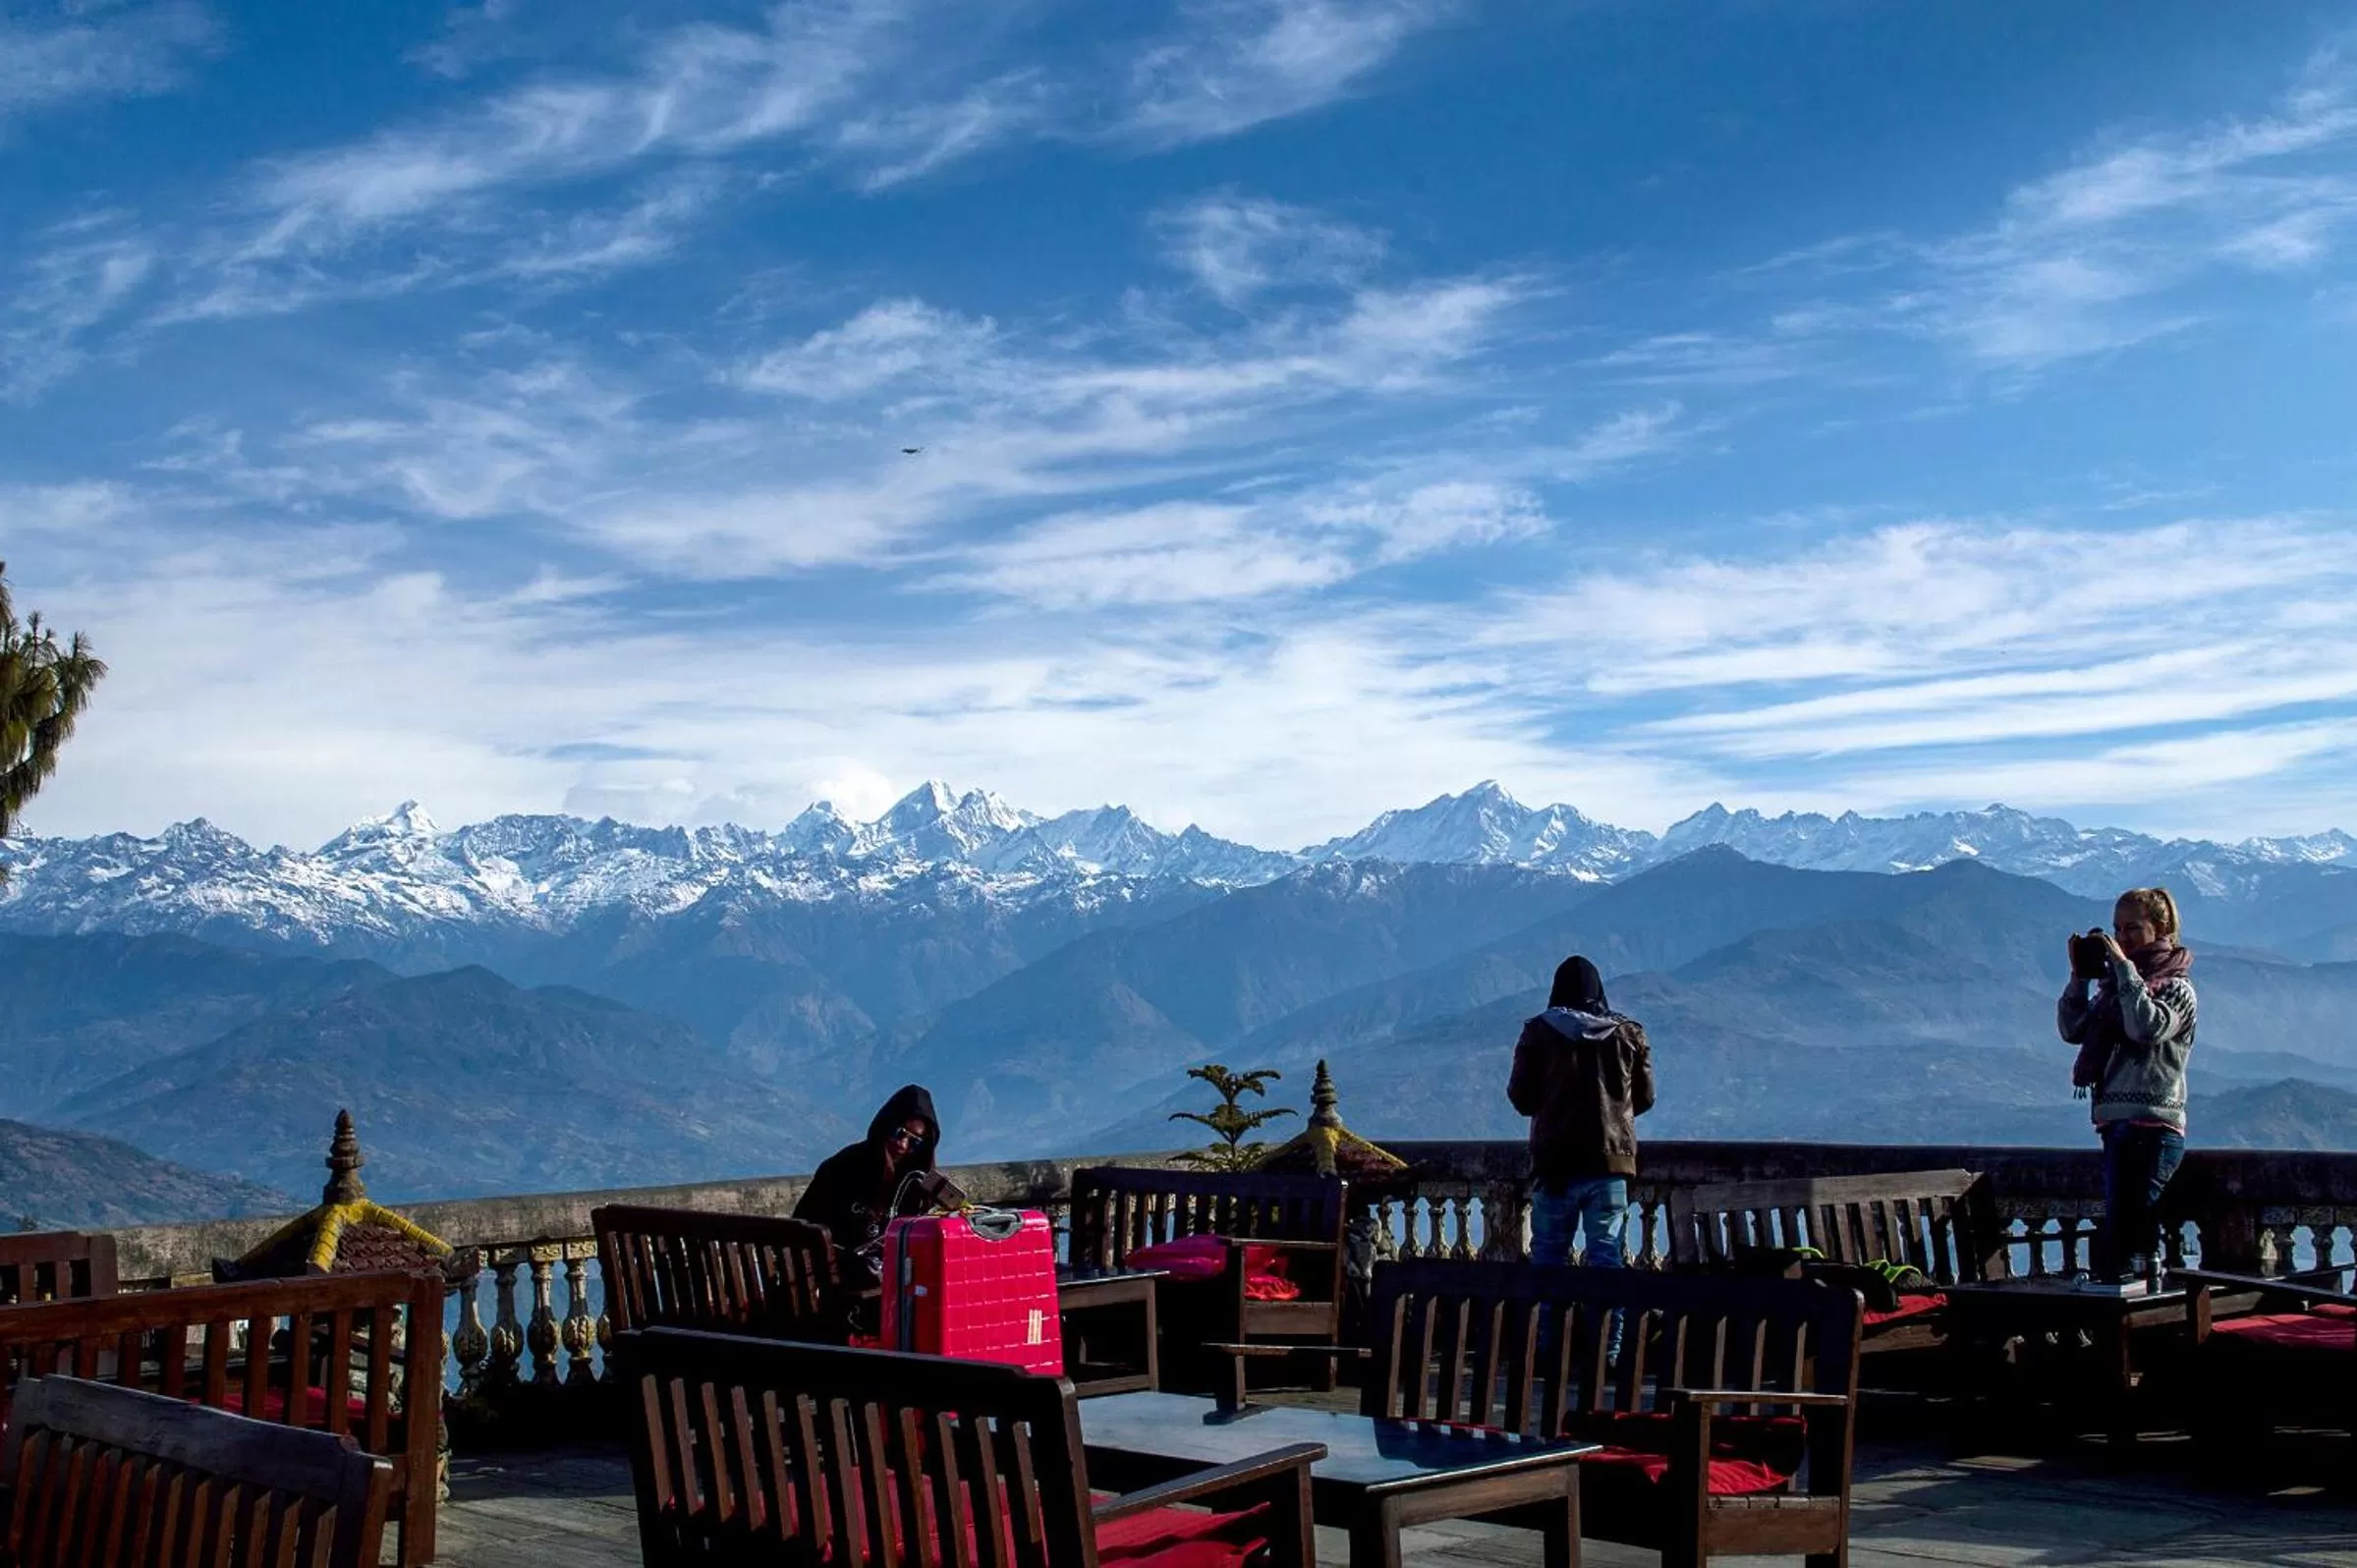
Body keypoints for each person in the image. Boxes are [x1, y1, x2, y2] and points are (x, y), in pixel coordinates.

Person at [2058, 887, 2196, 1285]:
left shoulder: (2177, 990)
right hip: (2114, 1125)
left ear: (2162, 927)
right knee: (2122, 1230)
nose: (2123, 938)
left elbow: (2145, 1026)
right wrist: (2078, 978)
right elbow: (2072, 1030)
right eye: (2118, 929)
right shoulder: (2112, 991)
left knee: (2133, 1232)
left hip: (2154, 1129)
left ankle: (2143, 1317)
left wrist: (2124, 971)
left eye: (2133, 928)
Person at [1509, 955, 1656, 1273]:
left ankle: (1548, 1325)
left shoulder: (1537, 1033)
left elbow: (1521, 1098)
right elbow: (1644, 1098)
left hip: (1554, 1165)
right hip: (1610, 1162)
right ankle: (1608, 1325)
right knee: (1606, 1257)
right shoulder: (1627, 1034)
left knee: (1548, 1259)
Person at [794, 1085, 941, 1287]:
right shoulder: (843, 1167)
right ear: (886, 1125)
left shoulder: (916, 1180)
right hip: (841, 1285)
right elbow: (806, 1227)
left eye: (914, 1141)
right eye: (900, 1133)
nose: (903, 1144)